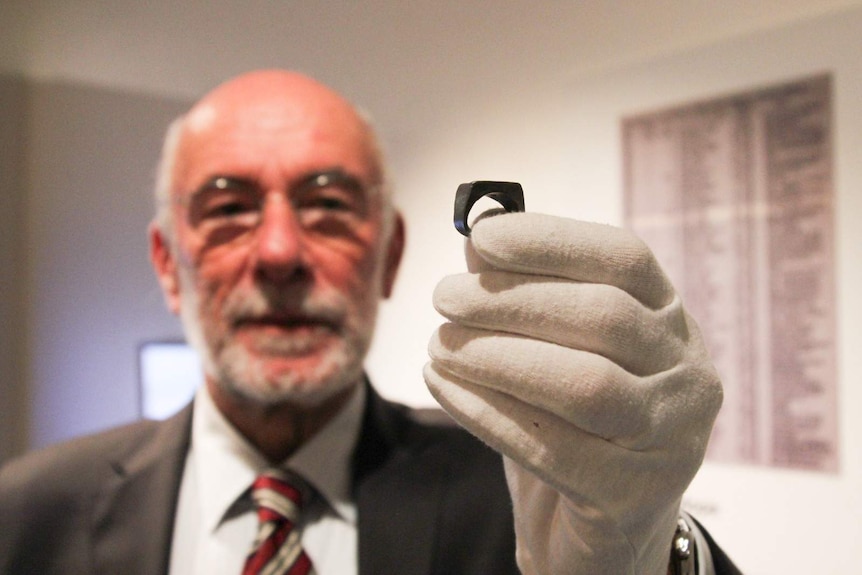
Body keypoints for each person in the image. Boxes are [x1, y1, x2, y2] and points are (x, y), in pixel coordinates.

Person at [0, 69, 741, 574]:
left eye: (328, 205)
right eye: (228, 208)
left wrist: (650, 549)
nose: (282, 252)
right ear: (168, 264)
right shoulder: (27, 513)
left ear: (388, 257)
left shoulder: (521, 486)